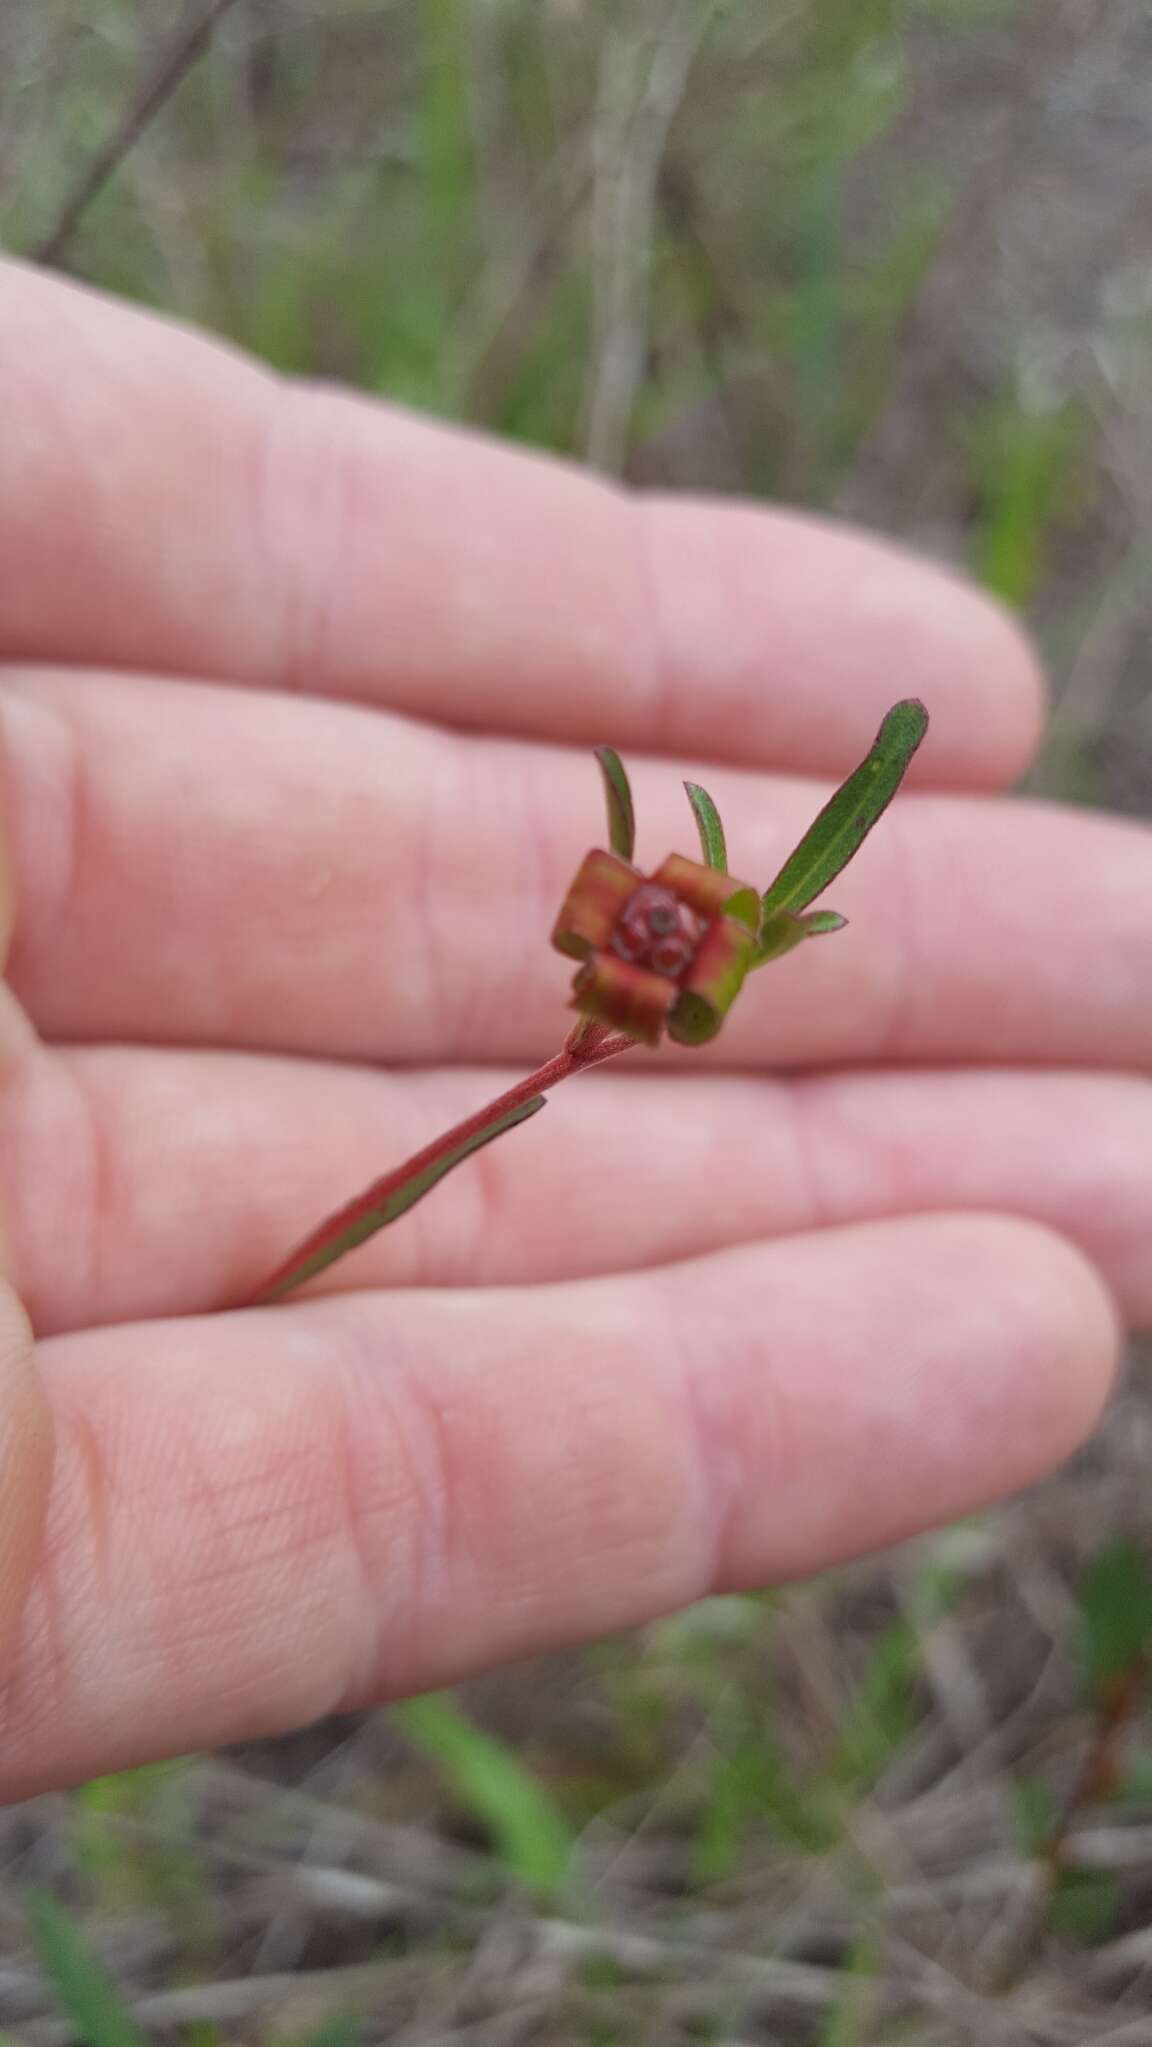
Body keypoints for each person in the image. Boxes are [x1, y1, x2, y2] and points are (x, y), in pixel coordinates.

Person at [0, 253, 1146, 1801]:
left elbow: (686, 955)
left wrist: (701, 962)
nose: (661, 925)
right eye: (657, 924)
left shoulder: (672, 953)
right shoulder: (620, 941)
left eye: (681, 932)